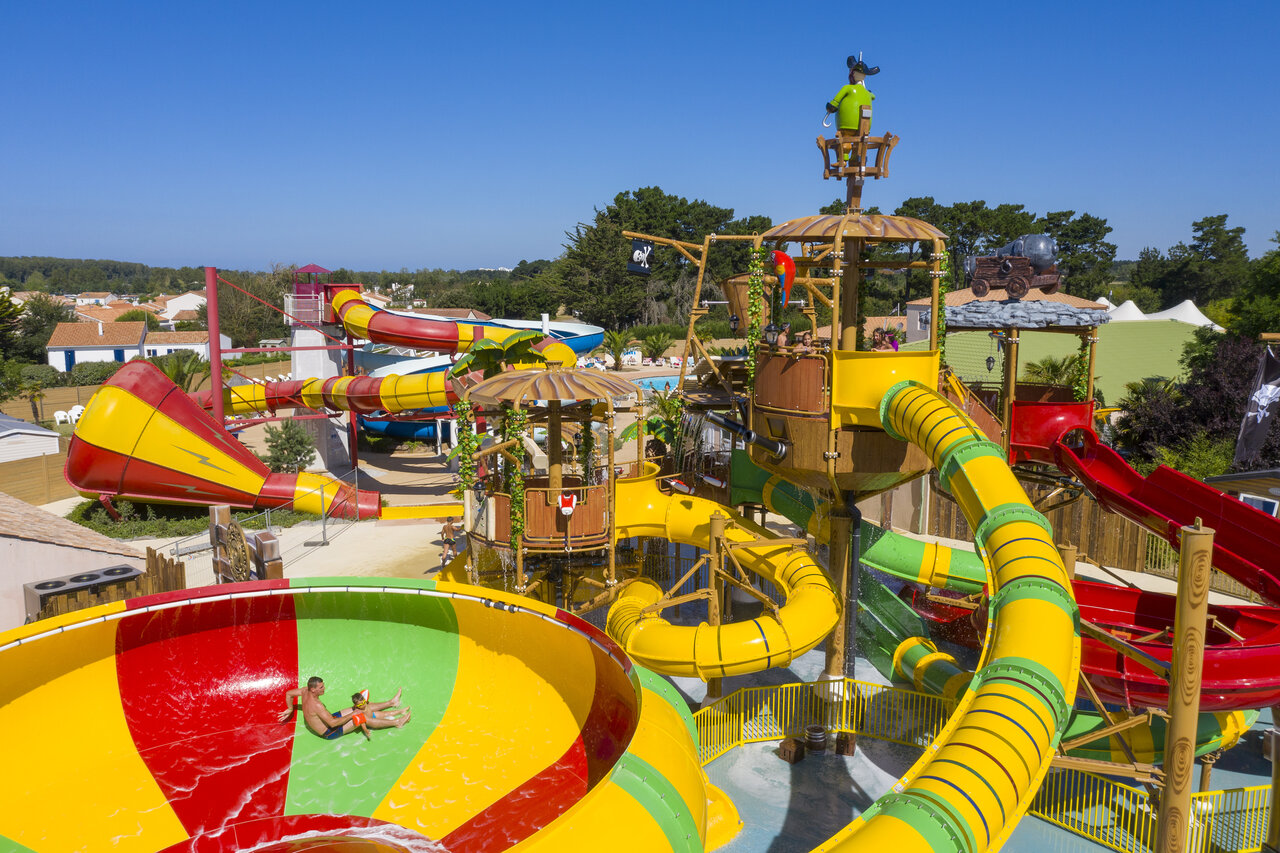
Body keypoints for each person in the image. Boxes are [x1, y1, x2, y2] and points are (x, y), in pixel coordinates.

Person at [279, 676, 411, 739]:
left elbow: (289, 694)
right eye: (321, 687)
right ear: (313, 690)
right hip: (329, 731)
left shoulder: (304, 691)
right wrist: (353, 715)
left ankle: (391, 703)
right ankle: (396, 722)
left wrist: (290, 708)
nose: (324, 688)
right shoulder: (317, 705)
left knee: (359, 706)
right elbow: (332, 723)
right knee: (361, 717)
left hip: (329, 719)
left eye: (323, 685)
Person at [825, 55, 880, 163]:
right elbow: (874, 96)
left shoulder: (847, 88)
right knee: (858, 143)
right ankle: (857, 158)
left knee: (845, 139)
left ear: (852, 74)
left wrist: (830, 108)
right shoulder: (868, 94)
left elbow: (835, 101)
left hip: (846, 125)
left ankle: (843, 158)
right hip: (864, 128)